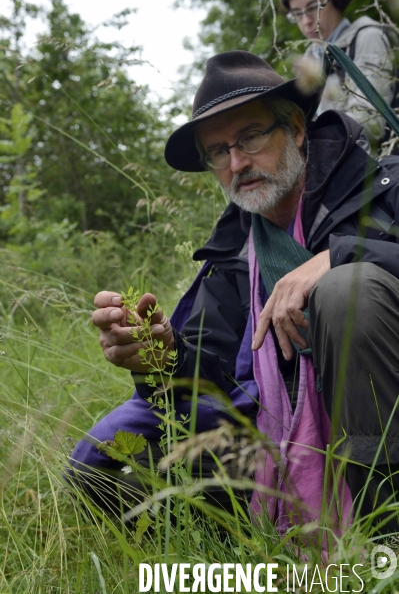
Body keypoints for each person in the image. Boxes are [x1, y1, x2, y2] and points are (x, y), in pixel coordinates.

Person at [68, 50, 399, 532]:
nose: (237, 162)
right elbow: (211, 381)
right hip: (281, 452)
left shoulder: (384, 188)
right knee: (104, 465)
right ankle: (266, 547)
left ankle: (385, 541)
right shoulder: (234, 252)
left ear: (297, 131)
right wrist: (159, 357)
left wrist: (339, 258)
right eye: (219, 151)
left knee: (347, 292)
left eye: (250, 136)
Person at [280, 0, 396, 152]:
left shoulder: (367, 38)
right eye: (297, 13)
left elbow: (371, 124)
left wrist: (311, 141)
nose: (306, 21)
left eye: (314, 7)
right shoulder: (309, 61)